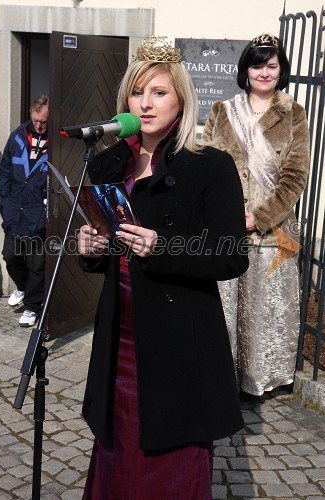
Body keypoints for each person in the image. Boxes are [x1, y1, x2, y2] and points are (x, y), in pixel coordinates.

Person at [77, 36, 249, 499]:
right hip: (121, 339)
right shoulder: (111, 163)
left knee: (166, 471)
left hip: (179, 346)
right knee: (119, 459)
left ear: (180, 100)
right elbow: (115, 250)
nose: (146, 103)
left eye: (159, 92)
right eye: (138, 92)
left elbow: (232, 254)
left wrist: (163, 246)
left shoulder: (211, 165)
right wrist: (94, 248)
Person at [202, 33, 310, 401]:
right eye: (257, 64)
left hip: (274, 231)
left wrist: (258, 217)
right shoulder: (222, 111)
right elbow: (207, 169)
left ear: (281, 71)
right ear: (245, 69)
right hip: (225, 229)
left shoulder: (294, 114)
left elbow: (295, 178)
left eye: (271, 65)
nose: (264, 72)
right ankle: (222, 378)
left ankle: (260, 382)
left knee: (265, 312)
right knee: (227, 308)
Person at [0, 95, 49, 327]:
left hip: (39, 208)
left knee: (38, 263)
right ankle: (23, 287)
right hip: (15, 207)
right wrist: (5, 194)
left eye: (44, 122)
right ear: (31, 113)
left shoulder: (57, 142)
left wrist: (49, 202)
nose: (38, 125)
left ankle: (32, 306)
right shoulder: (18, 135)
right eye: (35, 119)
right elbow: (6, 166)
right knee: (11, 256)